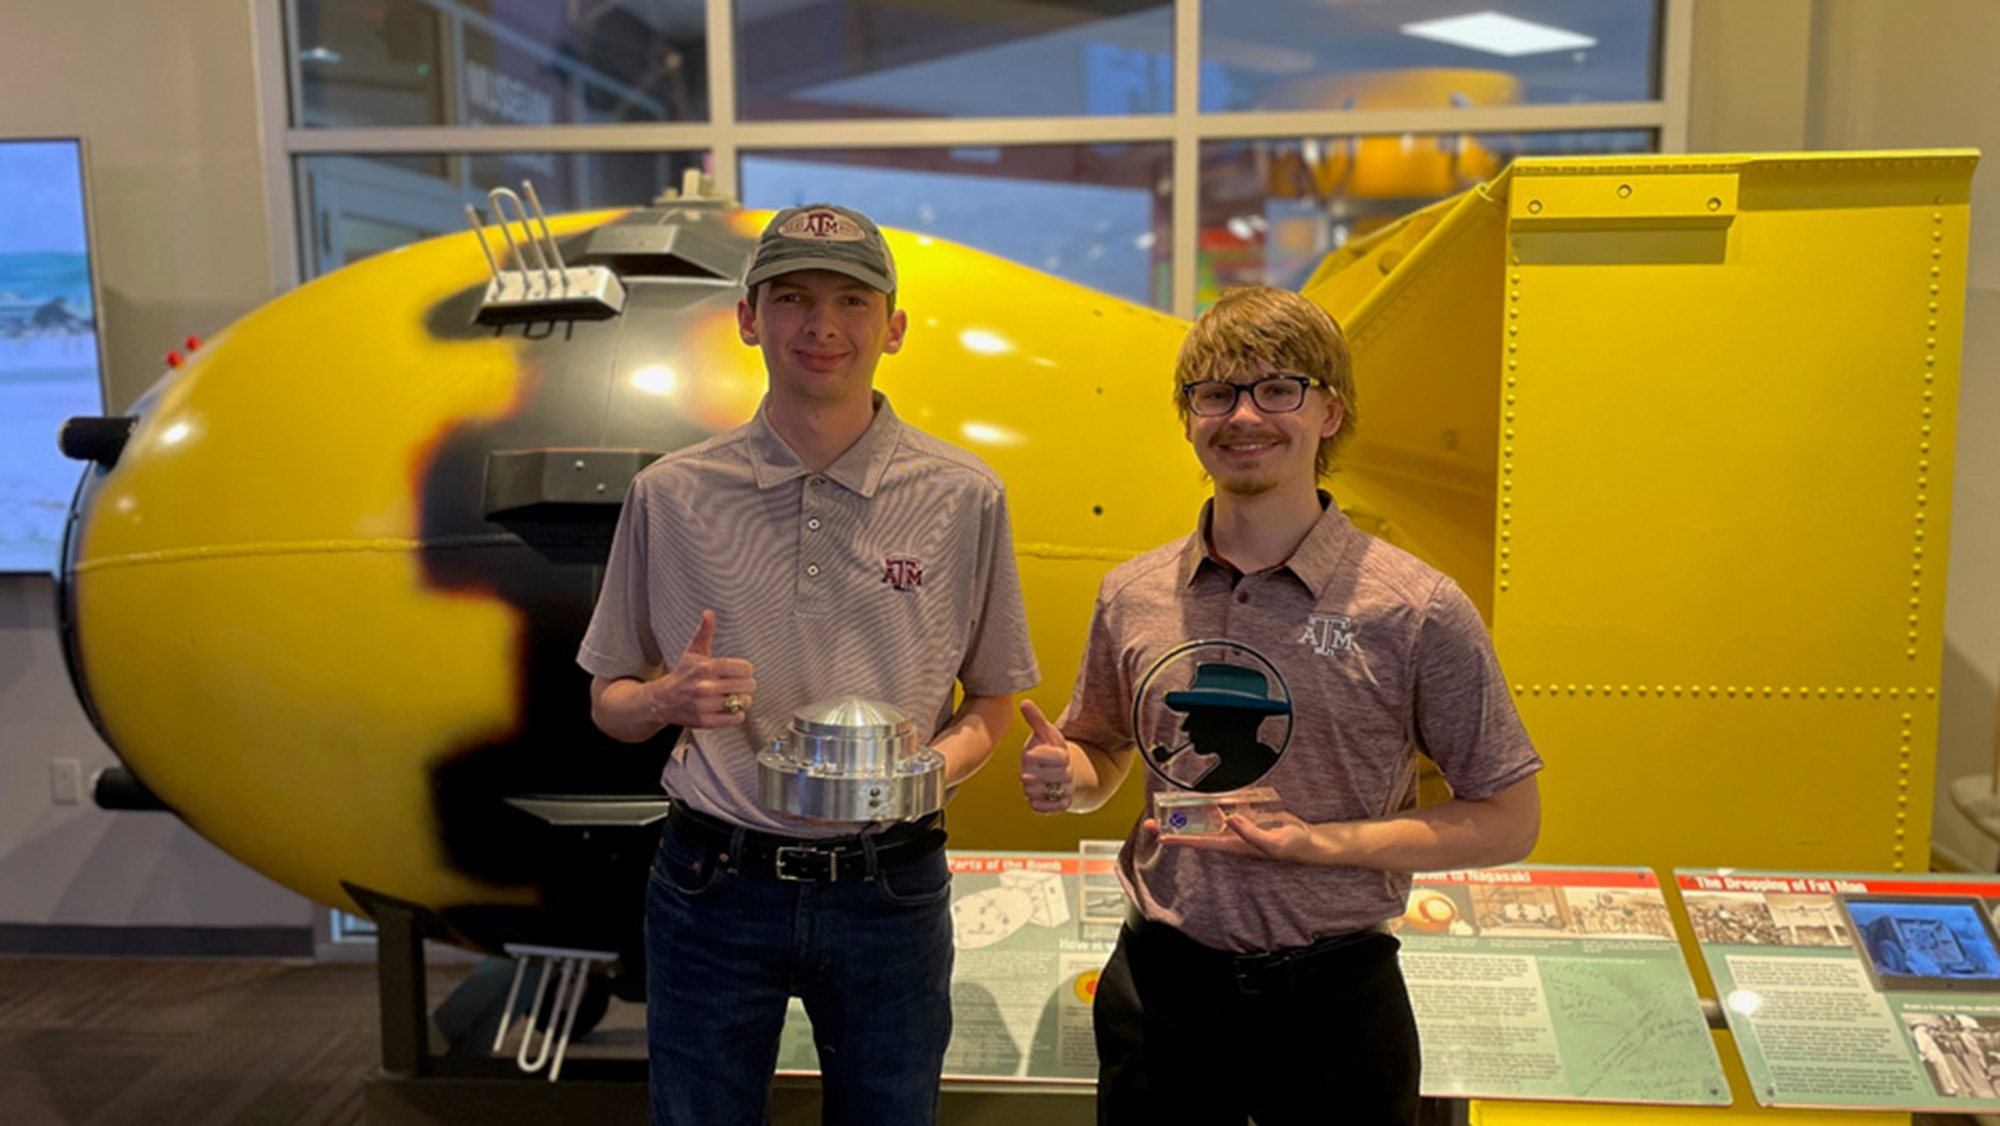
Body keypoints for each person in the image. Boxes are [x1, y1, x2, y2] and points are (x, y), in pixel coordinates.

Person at [1018, 285, 1542, 1125]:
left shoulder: (1415, 607)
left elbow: (1511, 819)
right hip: (1161, 996)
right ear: (1188, 418)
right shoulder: (1134, 593)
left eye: (1279, 390)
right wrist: (1067, 774)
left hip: (1336, 1005)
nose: (1245, 416)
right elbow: (1103, 755)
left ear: (1330, 412)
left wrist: (1320, 846)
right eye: (1216, 393)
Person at [579, 202, 1038, 1126]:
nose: (822, 326)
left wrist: (915, 775)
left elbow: (992, 705)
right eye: (791, 297)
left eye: (852, 301)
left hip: (892, 890)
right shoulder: (669, 495)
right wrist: (664, 697)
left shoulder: (963, 497)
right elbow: (609, 702)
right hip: (713, 887)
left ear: (894, 327)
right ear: (749, 319)